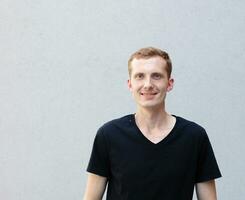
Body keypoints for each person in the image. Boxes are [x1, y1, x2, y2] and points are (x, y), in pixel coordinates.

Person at [83, 47, 221, 200]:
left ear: (169, 83)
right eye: (140, 76)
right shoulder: (109, 135)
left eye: (156, 76)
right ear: (130, 84)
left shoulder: (194, 137)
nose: (148, 84)